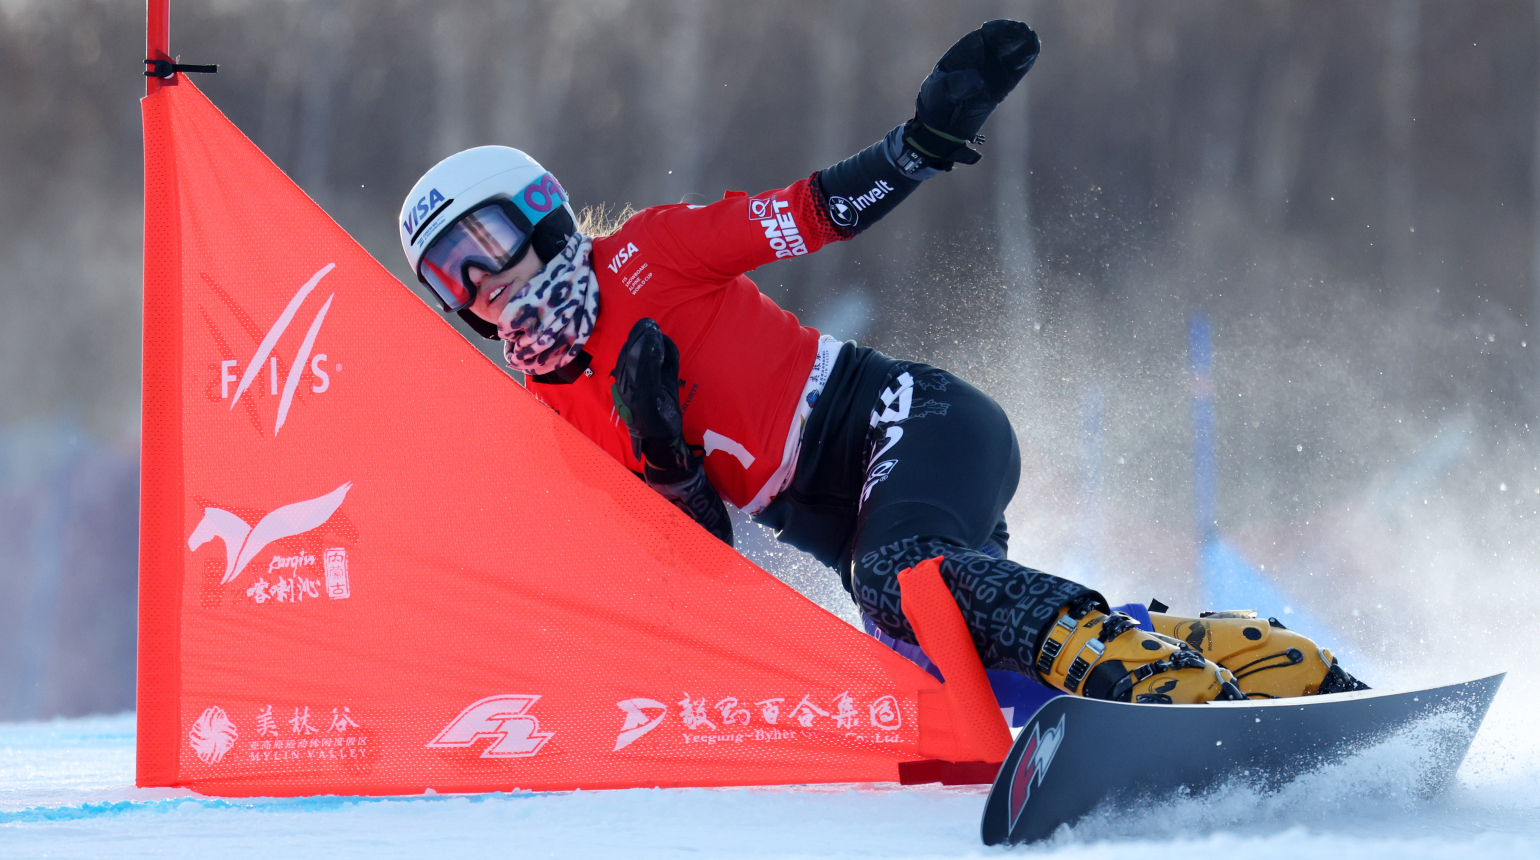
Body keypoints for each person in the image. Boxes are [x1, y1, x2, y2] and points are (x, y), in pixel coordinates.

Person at [397, 20, 1368, 705]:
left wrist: (920, 145)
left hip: (908, 419)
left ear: (541, 211)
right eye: (454, 274)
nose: (484, 279)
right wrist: (665, 458)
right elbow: (696, 569)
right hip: (840, 521)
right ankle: (1243, 656)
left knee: (898, 577)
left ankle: (1140, 674)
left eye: (485, 241)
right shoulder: (553, 414)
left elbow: (806, 210)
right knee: (946, 667)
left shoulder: (654, 251)